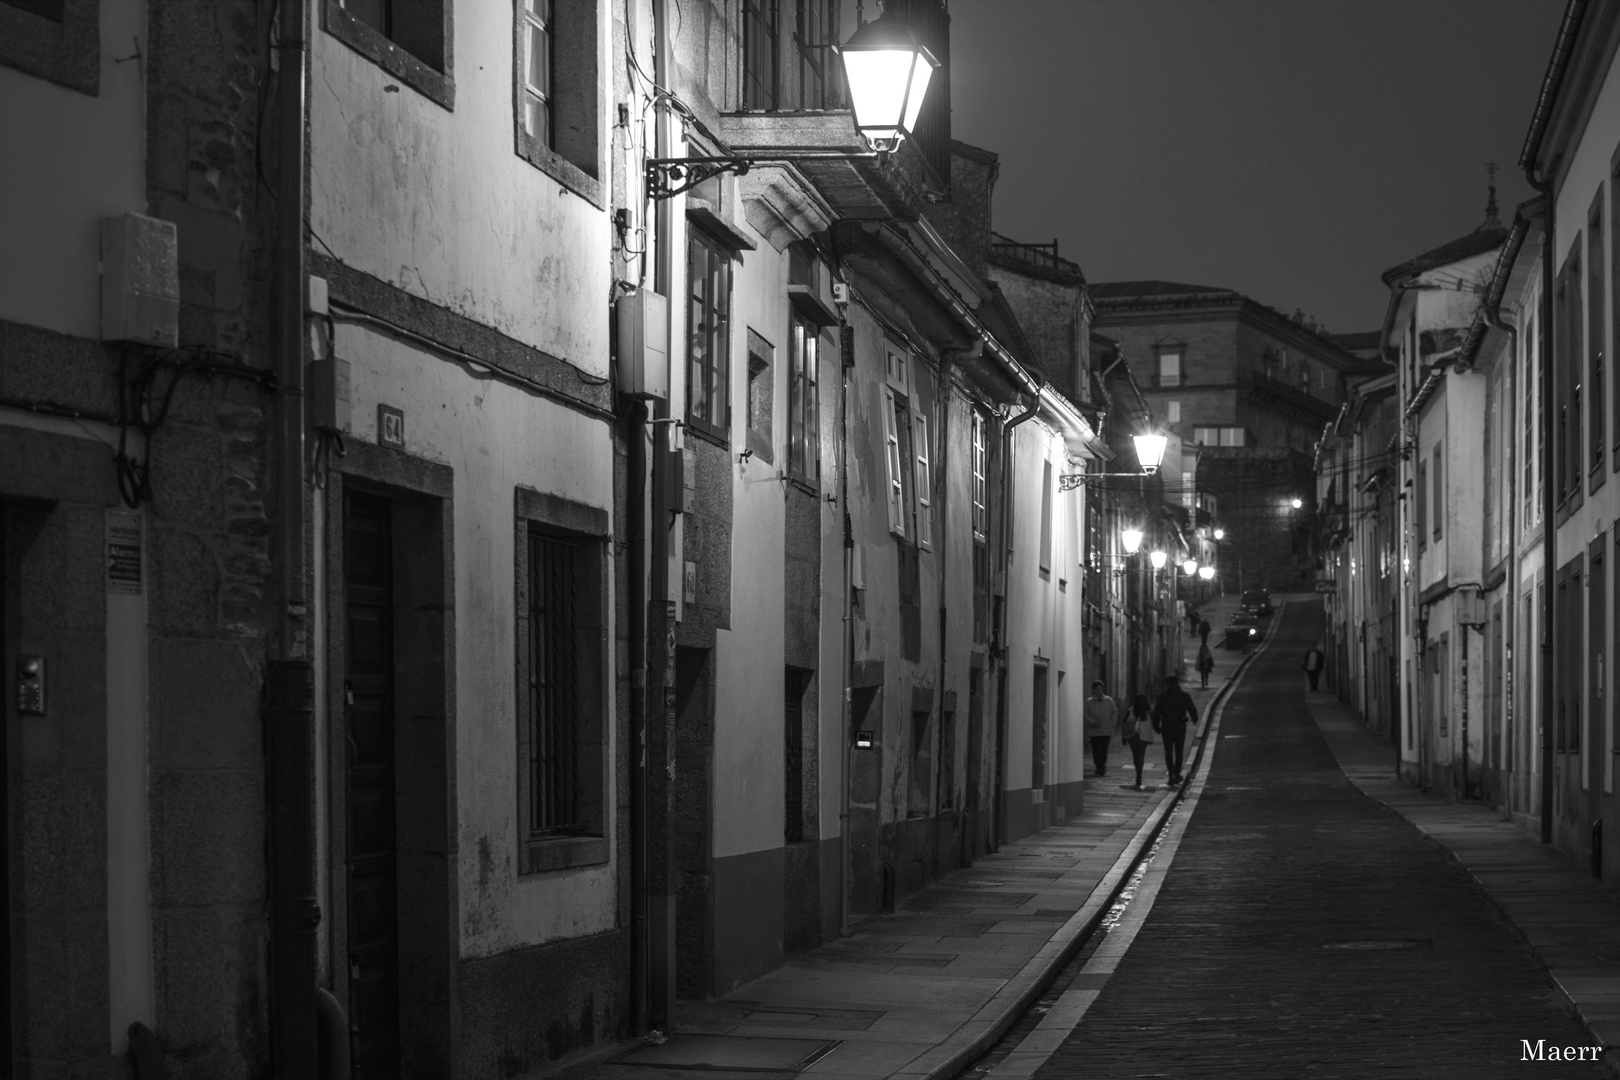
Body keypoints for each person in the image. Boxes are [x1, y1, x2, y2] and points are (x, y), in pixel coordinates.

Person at [1152, 674, 1199, 786]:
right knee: (1179, 751)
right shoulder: (1185, 696)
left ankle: (1172, 774)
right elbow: (1192, 709)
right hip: (1180, 727)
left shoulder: (1162, 696)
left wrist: (1156, 727)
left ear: (1167, 685)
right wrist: (1194, 719)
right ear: (1177, 684)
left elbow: (1157, 713)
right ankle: (1177, 773)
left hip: (1167, 726)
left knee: (1168, 752)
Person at [1082, 680, 1118, 776]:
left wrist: (1113, 723)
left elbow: (1115, 711)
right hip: (1094, 730)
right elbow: (1085, 714)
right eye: (1097, 689)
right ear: (1093, 690)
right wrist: (1092, 722)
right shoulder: (1089, 702)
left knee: (1103, 749)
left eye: (1101, 688)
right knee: (1096, 749)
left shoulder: (1109, 700)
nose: (1099, 691)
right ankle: (1098, 766)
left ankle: (1101, 766)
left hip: (1106, 729)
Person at [1120, 692, 1154, 790]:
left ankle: (1137, 773)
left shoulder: (1130, 711)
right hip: (1143, 738)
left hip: (1132, 737)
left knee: (1135, 755)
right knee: (1141, 757)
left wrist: (1123, 738)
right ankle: (1139, 776)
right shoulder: (1148, 712)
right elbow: (1154, 724)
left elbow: (1124, 724)